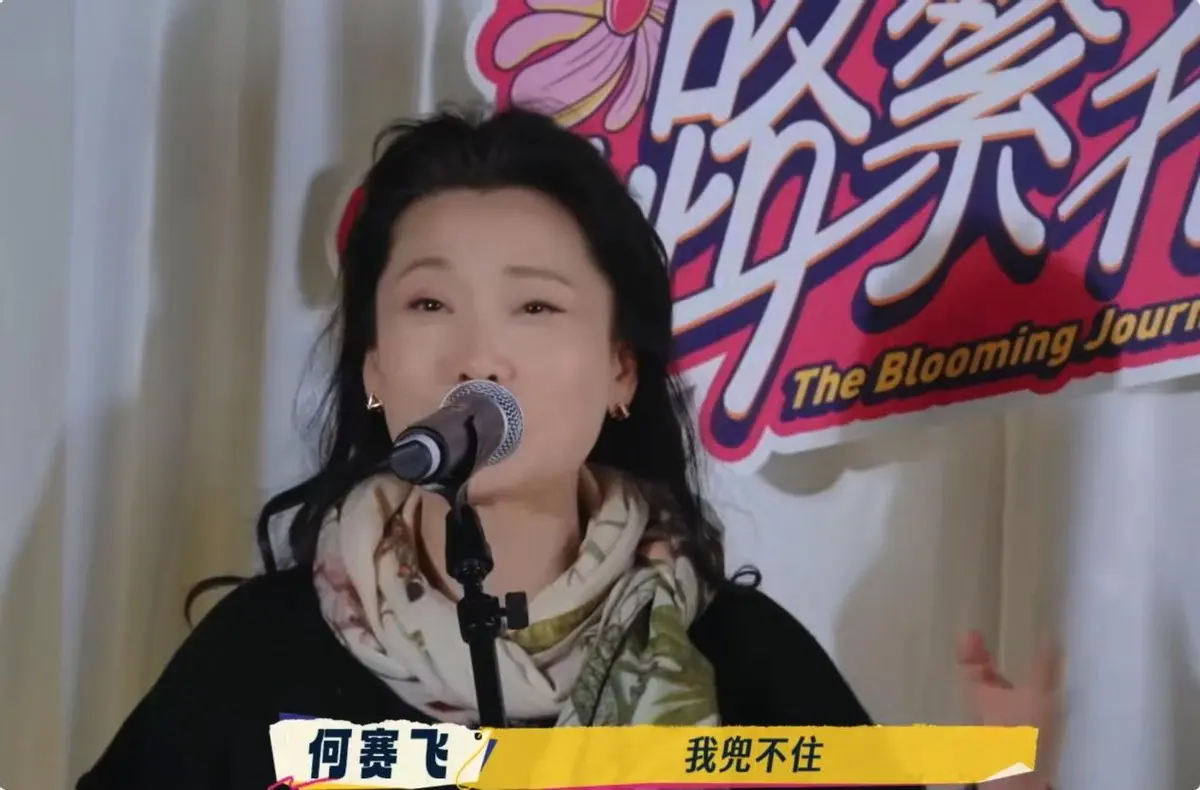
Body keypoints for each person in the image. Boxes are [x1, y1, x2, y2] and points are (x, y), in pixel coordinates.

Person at [77, 106, 1060, 790]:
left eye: (536, 306)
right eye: (429, 303)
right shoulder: (263, 652)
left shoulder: (742, 657)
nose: (478, 353)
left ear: (621, 368)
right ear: (375, 366)